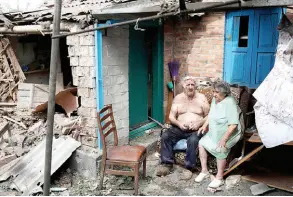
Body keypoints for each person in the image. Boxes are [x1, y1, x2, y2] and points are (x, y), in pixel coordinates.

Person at [156, 76, 210, 176]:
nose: (190, 87)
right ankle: (167, 164)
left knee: (193, 141)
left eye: (192, 85)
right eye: (188, 85)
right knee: (165, 136)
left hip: (196, 129)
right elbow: (171, 117)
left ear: (196, 86)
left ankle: (189, 168)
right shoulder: (178, 98)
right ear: (183, 86)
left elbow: (209, 115)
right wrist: (179, 124)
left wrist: (198, 123)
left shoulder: (202, 98)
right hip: (179, 128)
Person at [195, 80, 242, 188]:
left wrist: (224, 139)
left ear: (224, 92)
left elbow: (233, 125)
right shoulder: (215, 100)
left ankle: (219, 177)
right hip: (215, 131)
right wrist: (204, 125)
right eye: (213, 91)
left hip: (230, 133)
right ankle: (204, 171)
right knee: (202, 143)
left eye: (216, 92)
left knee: (220, 148)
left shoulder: (230, 103)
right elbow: (211, 114)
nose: (213, 94)